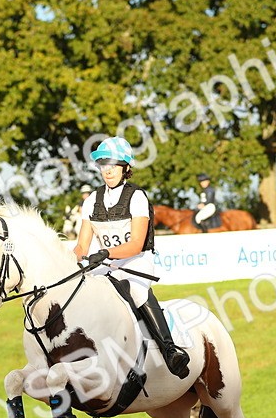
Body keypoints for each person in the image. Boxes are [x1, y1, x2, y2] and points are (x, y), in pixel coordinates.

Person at [73, 136, 190, 379]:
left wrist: (105, 253)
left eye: (113, 165)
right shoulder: (91, 201)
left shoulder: (137, 197)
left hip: (135, 261)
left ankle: (169, 350)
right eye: (103, 165)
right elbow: (82, 244)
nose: (108, 171)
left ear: (125, 167)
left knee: (137, 291)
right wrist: (75, 260)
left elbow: (136, 244)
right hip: (105, 263)